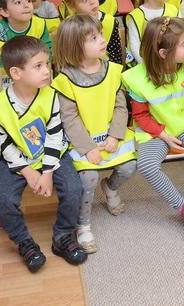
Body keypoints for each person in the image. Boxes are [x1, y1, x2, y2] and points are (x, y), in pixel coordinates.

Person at [0, 36, 87, 272]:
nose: (47, 71)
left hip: (52, 155)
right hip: (18, 160)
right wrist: (29, 172)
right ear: (16, 73)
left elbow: (55, 136)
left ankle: (63, 236)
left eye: (47, 64)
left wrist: (47, 173)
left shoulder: (51, 95)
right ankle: (24, 242)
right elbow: (4, 143)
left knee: (73, 188)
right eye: (38, 66)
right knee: (3, 200)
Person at [121, 17, 184, 240]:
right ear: (163, 53)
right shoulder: (137, 78)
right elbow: (140, 116)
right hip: (155, 131)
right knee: (147, 165)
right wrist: (163, 135)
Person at [51, 15, 136, 253]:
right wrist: (88, 148)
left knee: (129, 167)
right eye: (93, 38)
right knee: (88, 178)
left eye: (100, 34)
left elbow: (121, 107)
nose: (102, 40)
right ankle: (83, 224)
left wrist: (115, 135)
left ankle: (111, 188)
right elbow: (69, 118)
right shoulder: (65, 80)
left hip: (110, 137)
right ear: (75, 47)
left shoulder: (113, 71)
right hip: (83, 142)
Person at [0, 0, 52, 82]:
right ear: (4, 11)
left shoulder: (40, 24)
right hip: (8, 77)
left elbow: (47, 55)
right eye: (18, 2)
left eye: (28, 0)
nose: (26, 5)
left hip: (36, 74)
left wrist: (46, 83)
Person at [59, 0, 123, 66]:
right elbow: (66, 58)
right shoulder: (69, 26)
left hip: (106, 70)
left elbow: (116, 56)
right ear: (71, 5)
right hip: (78, 71)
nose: (92, 2)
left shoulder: (110, 22)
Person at [125, 0, 179, 65]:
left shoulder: (174, 10)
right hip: (144, 64)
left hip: (170, 63)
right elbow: (135, 47)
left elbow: (180, 39)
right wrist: (149, 67)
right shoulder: (136, 16)